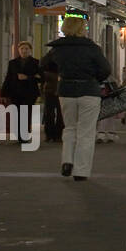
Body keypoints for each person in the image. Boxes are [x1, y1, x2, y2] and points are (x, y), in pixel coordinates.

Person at [41, 15, 112, 181]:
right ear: (81, 29)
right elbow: (105, 69)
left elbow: (44, 64)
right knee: (86, 132)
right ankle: (81, 170)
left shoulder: (58, 48)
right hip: (88, 89)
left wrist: (61, 72)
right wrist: (95, 78)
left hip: (66, 90)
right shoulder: (91, 48)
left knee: (70, 127)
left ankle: (67, 161)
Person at [2, 41, 42, 145]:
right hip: (15, 92)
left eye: (26, 49)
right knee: (17, 113)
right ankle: (18, 135)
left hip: (30, 92)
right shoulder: (13, 63)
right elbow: (8, 78)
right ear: (18, 50)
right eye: (22, 49)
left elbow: (41, 78)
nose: (24, 51)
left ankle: (24, 136)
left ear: (30, 50)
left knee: (26, 113)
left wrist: (28, 77)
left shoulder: (36, 62)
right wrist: (4, 93)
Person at [41, 55, 63, 143]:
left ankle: (52, 135)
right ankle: (54, 135)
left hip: (53, 90)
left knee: (53, 113)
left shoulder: (49, 57)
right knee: (52, 113)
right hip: (52, 90)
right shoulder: (51, 57)